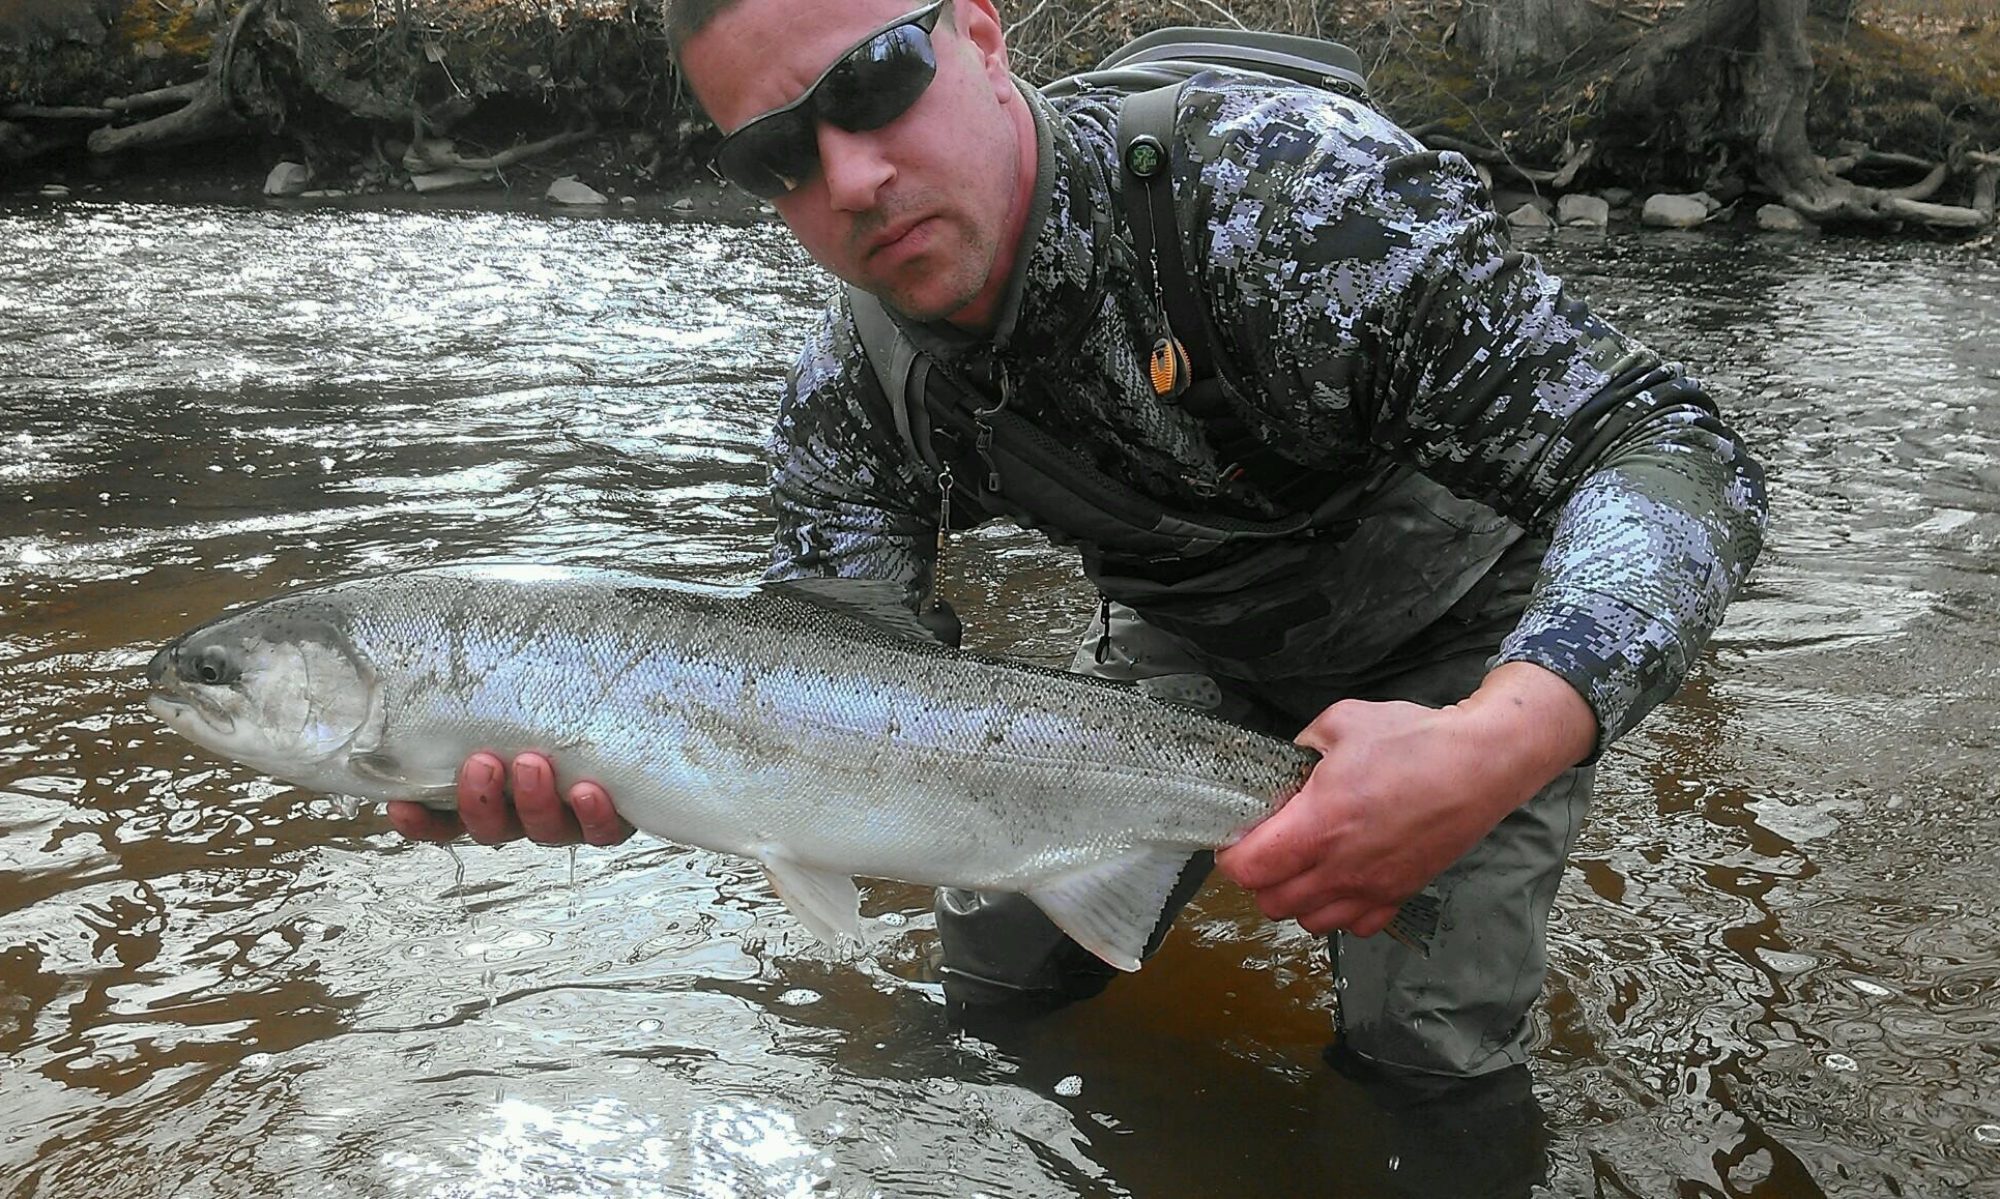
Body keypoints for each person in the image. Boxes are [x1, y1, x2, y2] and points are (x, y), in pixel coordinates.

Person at [390, 0, 1766, 1090]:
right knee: (987, 982)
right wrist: (607, 750)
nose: (851, 176)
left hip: (1463, 644)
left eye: (872, 85)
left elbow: (1672, 447)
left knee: (1426, 1054)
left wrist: (1503, 738)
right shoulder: (855, 392)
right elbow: (822, 679)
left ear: (980, 35)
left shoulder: (1287, 196)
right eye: (777, 157)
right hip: (1183, 632)